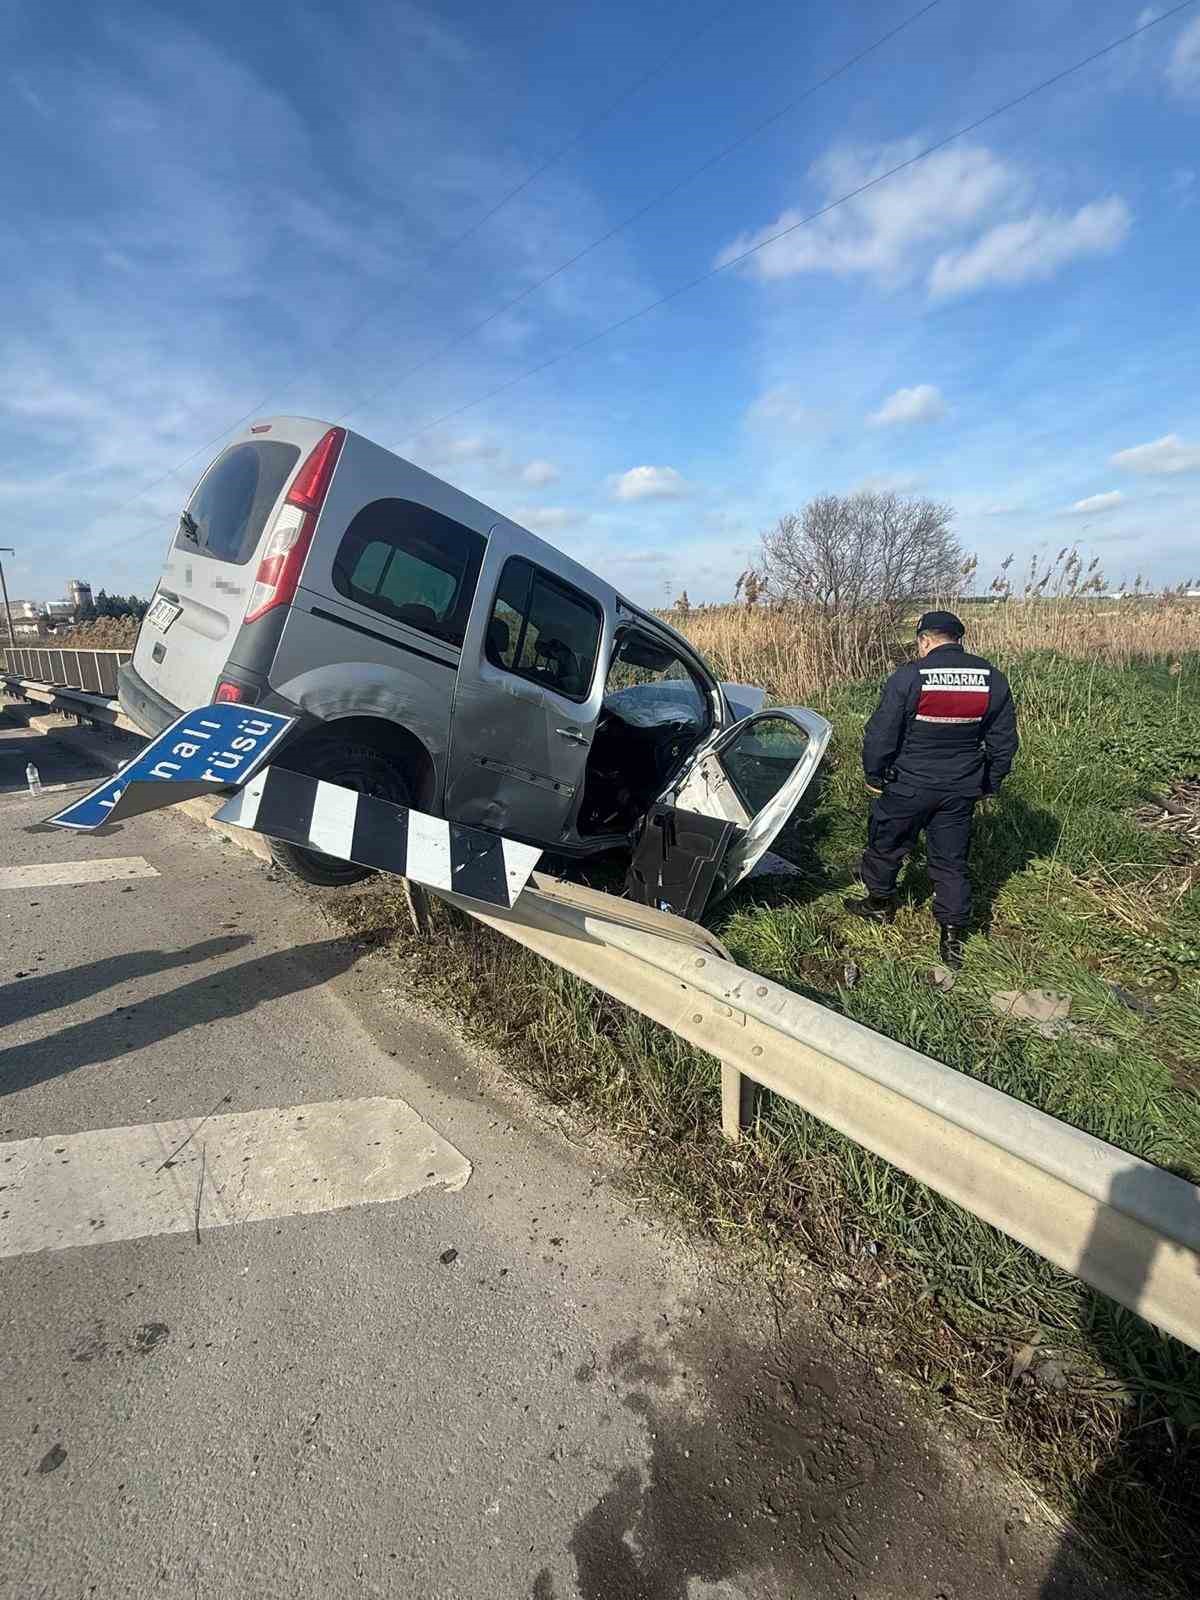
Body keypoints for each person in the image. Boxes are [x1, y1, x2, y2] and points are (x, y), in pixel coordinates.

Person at [843, 610, 1018, 968]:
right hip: (961, 788)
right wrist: (989, 782)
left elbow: (881, 734)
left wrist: (874, 775)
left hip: (908, 784)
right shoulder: (992, 679)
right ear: (958, 639)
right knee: (951, 860)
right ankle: (952, 935)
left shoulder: (910, 676)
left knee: (886, 843)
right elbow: (1003, 743)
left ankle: (879, 904)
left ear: (924, 640)